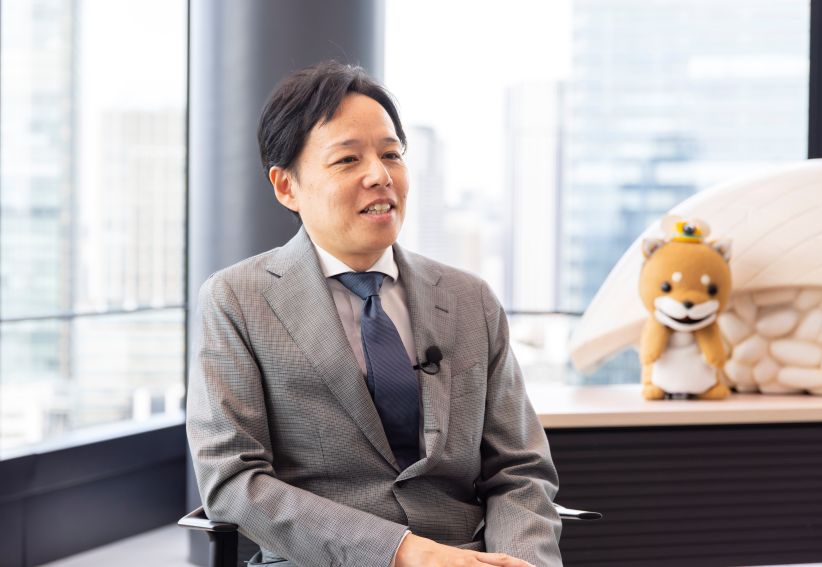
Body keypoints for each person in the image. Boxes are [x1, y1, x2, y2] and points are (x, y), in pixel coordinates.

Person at [187, 60, 562, 567]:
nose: (380, 176)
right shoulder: (237, 299)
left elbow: (520, 471)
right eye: (347, 160)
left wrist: (523, 561)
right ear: (286, 186)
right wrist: (404, 553)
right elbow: (233, 481)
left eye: (391, 155)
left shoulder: (470, 299)